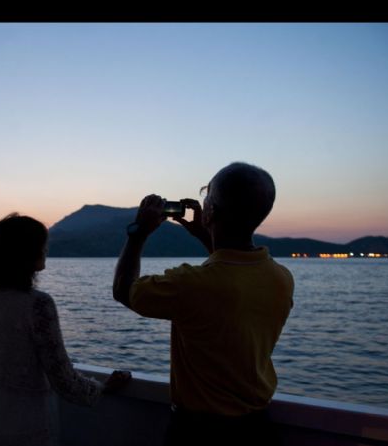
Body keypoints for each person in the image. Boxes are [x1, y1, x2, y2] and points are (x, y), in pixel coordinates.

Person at [113, 162, 294, 446]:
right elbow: (232, 277)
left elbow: (123, 290)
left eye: (206, 196)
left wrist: (138, 233)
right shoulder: (281, 278)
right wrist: (204, 233)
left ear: (210, 211)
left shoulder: (190, 284)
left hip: (199, 432)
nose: (203, 202)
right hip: (257, 429)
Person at [0, 213, 131, 446]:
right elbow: (63, 379)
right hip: (26, 428)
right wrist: (103, 388)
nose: (45, 249)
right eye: (40, 245)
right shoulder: (38, 304)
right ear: (26, 252)